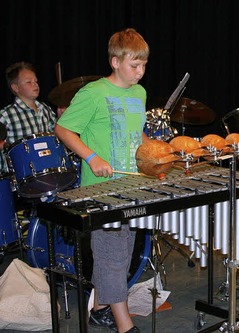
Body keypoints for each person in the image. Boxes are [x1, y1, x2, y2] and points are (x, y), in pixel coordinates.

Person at [54, 28, 149, 333]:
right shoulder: (93, 93)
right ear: (115, 62)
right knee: (111, 255)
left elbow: (138, 134)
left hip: (133, 186)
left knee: (122, 252)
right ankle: (124, 324)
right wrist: (92, 157)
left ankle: (99, 309)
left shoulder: (139, 93)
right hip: (101, 189)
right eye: (134, 65)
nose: (140, 71)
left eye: (144, 65)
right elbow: (64, 129)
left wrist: (155, 154)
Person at [0, 62, 58, 174]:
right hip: (21, 175)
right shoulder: (6, 115)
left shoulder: (45, 109)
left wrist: (61, 118)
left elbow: (57, 135)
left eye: (36, 81)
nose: (35, 84)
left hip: (49, 167)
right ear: (15, 87)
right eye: (29, 82)